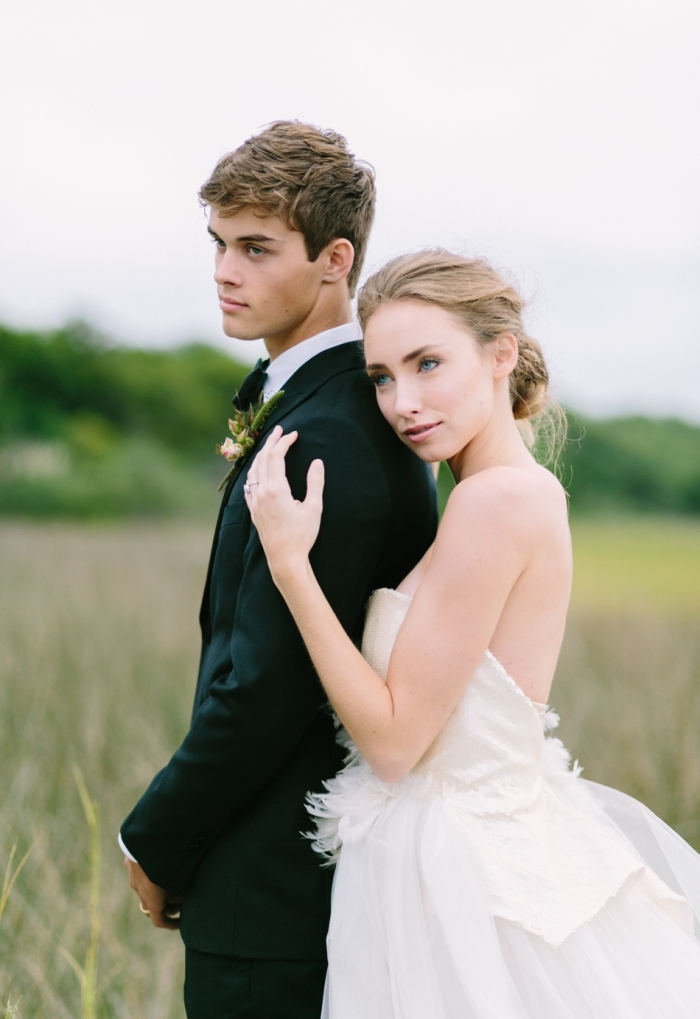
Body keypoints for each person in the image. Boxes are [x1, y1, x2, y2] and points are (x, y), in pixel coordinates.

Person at [245, 248, 700, 1018]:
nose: (402, 402)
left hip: (461, 877)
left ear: (501, 355)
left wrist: (292, 567)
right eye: (383, 377)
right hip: (450, 856)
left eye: (428, 364)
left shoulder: (496, 503)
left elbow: (393, 744)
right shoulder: (494, 494)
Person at [118, 124, 437, 1019]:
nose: (225, 270)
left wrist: (155, 839)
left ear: (335, 259)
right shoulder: (324, 407)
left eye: (256, 248)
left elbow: (269, 683)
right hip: (297, 879)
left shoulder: (329, 437)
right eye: (218, 244)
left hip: (276, 893)